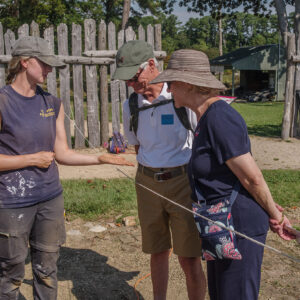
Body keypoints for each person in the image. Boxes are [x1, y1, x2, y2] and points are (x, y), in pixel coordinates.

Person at [150, 49, 296, 300]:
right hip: (219, 225)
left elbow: (252, 178)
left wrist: (275, 215)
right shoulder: (204, 117)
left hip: (238, 226)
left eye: (171, 83)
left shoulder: (220, 118)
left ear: (188, 83)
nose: (169, 89)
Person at [0, 36, 133, 300]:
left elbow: (62, 153)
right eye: (45, 64)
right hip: (11, 203)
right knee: (11, 272)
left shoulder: (53, 103)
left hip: (50, 198)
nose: (50, 70)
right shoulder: (3, 102)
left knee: (47, 269)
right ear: (25, 62)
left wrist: (99, 159)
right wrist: (30, 159)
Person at [112, 40, 206, 300]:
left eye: (133, 77)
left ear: (151, 65)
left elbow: (201, 140)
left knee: (189, 257)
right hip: (147, 183)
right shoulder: (131, 105)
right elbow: (137, 145)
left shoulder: (182, 98)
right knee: (157, 251)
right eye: (126, 80)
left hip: (182, 183)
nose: (131, 84)